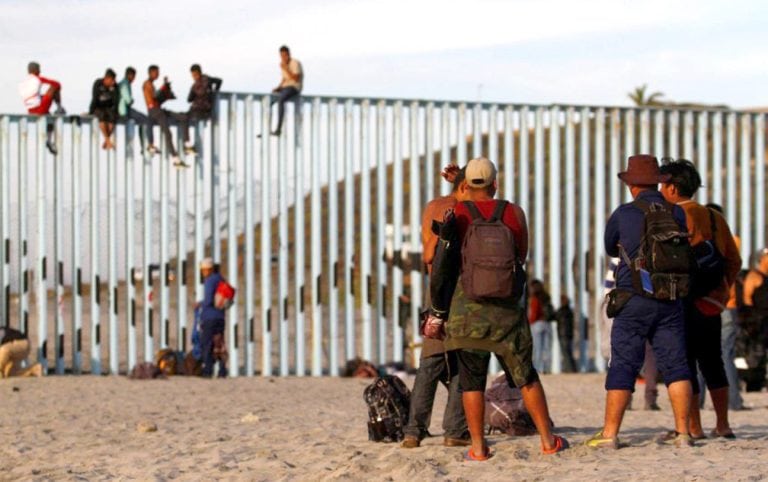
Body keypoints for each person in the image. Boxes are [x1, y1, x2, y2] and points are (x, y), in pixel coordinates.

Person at [443, 157, 568, 460]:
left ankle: (478, 447)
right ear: (495, 184)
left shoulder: (458, 213)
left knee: (472, 380)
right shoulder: (513, 213)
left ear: (465, 186)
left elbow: (446, 261)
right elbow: (520, 255)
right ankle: (548, 441)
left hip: (467, 310)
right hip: (507, 310)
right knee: (525, 376)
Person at [587, 154, 693, 449]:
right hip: (669, 298)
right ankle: (683, 433)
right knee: (675, 365)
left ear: (631, 184)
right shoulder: (676, 213)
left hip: (632, 298)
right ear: (658, 183)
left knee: (623, 364)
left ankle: (610, 434)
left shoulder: (623, 213)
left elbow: (610, 247)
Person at [659, 159, 741, 439]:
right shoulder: (715, 218)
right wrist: (722, 290)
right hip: (712, 304)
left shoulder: (669, 215)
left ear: (671, 187)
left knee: (685, 362)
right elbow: (734, 259)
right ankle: (723, 424)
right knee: (713, 361)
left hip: (680, 302)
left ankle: (693, 427)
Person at [401, 165, 470, 449]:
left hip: (435, 292)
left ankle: (413, 432)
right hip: (465, 294)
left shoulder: (434, 206)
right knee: (464, 362)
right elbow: (434, 249)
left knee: (429, 363)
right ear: (466, 187)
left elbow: (428, 252)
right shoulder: (469, 212)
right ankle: (454, 430)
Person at [698, 203, 745, 410]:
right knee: (723, 355)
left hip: (701, 301)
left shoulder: (698, 239)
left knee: (698, 354)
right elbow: (735, 263)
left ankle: (697, 402)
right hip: (727, 302)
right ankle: (733, 401)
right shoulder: (732, 240)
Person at [142, 65, 195, 167]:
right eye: (156, 72)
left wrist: (165, 91)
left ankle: (187, 144)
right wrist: (164, 89)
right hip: (155, 111)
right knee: (167, 133)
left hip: (159, 110)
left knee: (183, 117)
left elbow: (157, 99)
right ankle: (175, 159)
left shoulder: (150, 84)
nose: (157, 74)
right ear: (150, 73)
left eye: (158, 72)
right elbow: (153, 100)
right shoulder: (147, 84)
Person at [18, 61, 65, 155]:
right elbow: (56, 84)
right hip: (39, 107)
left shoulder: (23, 82)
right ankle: (60, 107)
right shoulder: (37, 78)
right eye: (39, 69)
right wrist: (53, 95)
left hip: (30, 109)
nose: (40, 71)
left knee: (49, 117)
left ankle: (49, 141)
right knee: (54, 87)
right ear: (35, 70)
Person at [739, 248, 768, 392]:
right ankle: (754, 383)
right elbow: (747, 298)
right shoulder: (754, 276)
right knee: (757, 353)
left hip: (765, 320)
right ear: (761, 259)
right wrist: (751, 319)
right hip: (758, 321)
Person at [197, 258, 227, 378]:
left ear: (207, 270)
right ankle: (222, 370)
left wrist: (200, 304)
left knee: (207, 343)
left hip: (210, 317)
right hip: (220, 316)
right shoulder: (221, 279)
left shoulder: (209, 281)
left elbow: (209, 300)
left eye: (203, 270)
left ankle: (208, 370)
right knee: (219, 344)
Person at [118, 66, 157, 155]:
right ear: (130, 75)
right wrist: (131, 100)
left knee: (142, 121)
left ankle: (144, 146)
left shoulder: (122, 83)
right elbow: (128, 99)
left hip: (124, 110)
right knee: (146, 119)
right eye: (134, 77)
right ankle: (148, 145)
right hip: (124, 111)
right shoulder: (125, 83)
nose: (134, 79)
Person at [269, 45, 303, 136]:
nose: (284, 58)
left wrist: (286, 69)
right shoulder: (282, 64)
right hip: (285, 86)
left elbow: (296, 78)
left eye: (285, 55)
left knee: (281, 99)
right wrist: (278, 87)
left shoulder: (295, 63)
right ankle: (267, 127)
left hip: (294, 87)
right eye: (282, 56)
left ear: (289, 54)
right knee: (270, 99)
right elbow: (284, 79)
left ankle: (278, 129)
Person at [89, 68, 119, 149]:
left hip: (109, 107)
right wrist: (90, 111)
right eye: (112, 80)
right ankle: (108, 141)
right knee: (101, 116)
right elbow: (94, 98)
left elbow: (116, 101)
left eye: (114, 80)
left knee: (113, 118)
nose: (113, 82)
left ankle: (107, 140)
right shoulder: (98, 83)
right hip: (98, 106)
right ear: (106, 78)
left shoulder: (114, 86)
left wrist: (116, 112)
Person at [528, 279, 553, 374]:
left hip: (537, 324)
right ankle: (547, 368)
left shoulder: (534, 299)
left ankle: (538, 368)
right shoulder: (546, 297)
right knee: (546, 348)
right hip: (547, 324)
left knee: (537, 348)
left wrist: (530, 323)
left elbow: (533, 314)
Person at [554, 295, 577, 373]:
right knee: (568, 352)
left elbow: (552, 316)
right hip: (569, 334)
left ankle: (570, 369)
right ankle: (571, 368)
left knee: (566, 353)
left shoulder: (561, 311)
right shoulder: (569, 311)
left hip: (563, 334)